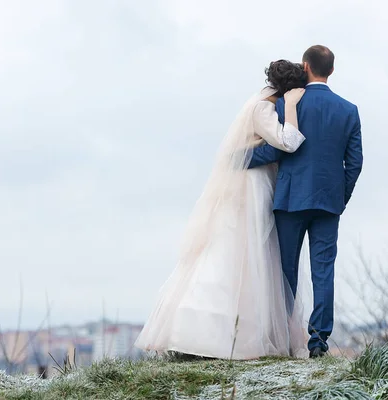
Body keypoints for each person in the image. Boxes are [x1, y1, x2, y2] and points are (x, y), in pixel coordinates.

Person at [134, 60, 311, 360]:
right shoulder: (263, 108)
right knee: (243, 250)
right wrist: (292, 106)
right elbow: (288, 141)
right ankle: (214, 334)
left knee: (243, 251)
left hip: (250, 183)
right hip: (251, 187)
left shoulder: (257, 103)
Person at [248, 45, 363, 358]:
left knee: (286, 271)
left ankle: (284, 336)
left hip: (290, 199)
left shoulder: (289, 101)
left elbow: (276, 149)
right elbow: (355, 163)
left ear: (305, 66)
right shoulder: (349, 110)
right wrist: (340, 196)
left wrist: (241, 159)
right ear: (331, 70)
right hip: (329, 203)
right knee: (323, 271)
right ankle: (318, 342)